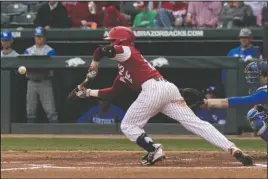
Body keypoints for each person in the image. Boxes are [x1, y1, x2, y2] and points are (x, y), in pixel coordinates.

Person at [75, 26, 252, 166]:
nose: (111, 42)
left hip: (153, 89)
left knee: (128, 125)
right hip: (167, 89)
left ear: (120, 40)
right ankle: (233, 148)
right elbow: (114, 92)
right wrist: (88, 92)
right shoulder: (124, 69)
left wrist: (94, 67)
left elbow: (100, 51)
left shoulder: (127, 50)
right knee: (196, 124)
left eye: (113, 40)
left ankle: (154, 149)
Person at [203, 61, 267, 142]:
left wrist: (208, 102)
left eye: (257, 76)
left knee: (253, 116)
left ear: (266, 77)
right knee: (258, 111)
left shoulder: (265, 91)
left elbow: (243, 101)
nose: (253, 78)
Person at [24, 27, 58, 123]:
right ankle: (29, 134)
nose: (39, 39)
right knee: (30, 110)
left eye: (41, 36)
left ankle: (55, 133)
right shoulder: (28, 51)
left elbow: (52, 67)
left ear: (45, 37)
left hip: (45, 81)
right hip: (31, 81)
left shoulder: (50, 51)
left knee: (50, 111)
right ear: (34, 37)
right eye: (37, 36)